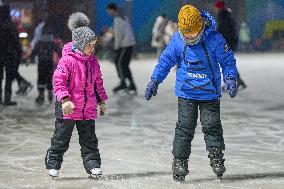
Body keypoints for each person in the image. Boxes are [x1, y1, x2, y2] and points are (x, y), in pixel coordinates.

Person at [145, 5, 238, 182]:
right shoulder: (178, 40)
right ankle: (179, 161)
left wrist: (231, 77)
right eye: (186, 33)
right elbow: (165, 61)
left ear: (200, 27)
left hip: (209, 93)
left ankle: (216, 157)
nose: (189, 37)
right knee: (184, 129)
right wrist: (155, 80)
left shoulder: (214, 39)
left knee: (212, 127)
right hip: (186, 93)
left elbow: (227, 60)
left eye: (192, 33)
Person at [45, 12, 108, 178]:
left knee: (89, 140)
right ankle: (53, 163)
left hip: (87, 109)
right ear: (80, 44)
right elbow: (58, 81)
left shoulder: (93, 61)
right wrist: (65, 100)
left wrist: (101, 101)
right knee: (61, 138)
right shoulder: (67, 61)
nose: (92, 48)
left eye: (94, 45)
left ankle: (93, 165)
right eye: (89, 45)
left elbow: (97, 83)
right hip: (68, 107)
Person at [28, 14, 61, 105]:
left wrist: (29, 58)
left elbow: (34, 52)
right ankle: (50, 93)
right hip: (49, 62)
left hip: (41, 62)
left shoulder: (39, 43)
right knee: (49, 77)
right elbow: (58, 50)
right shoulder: (51, 42)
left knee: (41, 78)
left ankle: (41, 94)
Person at [214, 0, 247, 90]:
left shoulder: (222, 15)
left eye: (216, 7)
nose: (214, 9)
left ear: (218, 7)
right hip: (230, 42)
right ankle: (238, 82)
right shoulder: (226, 14)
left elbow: (222, 30)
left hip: (228, 43)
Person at [106, 3, 137, 95]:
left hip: (125, 45)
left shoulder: (117, 19)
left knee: (120, 64)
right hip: (128, 44)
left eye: (108, 10)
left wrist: (116, 47)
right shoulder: (123, 17)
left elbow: (119, 35)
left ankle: (125, 83)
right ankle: (128, 84)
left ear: (112, 10)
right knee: (123, 64)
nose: (108, 12)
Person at [0, 2, 21, 105]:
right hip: (9, 55)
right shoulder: (10, 25)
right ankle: (7, 99)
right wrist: (19, 53)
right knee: (9, 78)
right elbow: (16, 41)